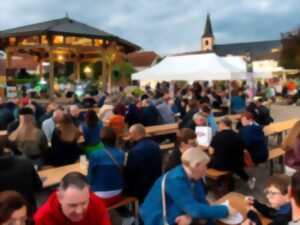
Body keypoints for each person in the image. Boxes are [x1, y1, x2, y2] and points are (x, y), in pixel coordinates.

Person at [141, 147, 236, 225]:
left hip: (176, 209)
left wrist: (206, 218)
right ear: (196, 165)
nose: (206, 169)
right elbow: (194, 210)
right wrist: (225, 210)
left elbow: (200, 200)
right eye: (205, 166)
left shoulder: (193, 174)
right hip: (158, 217)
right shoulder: (175, 179)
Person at [34, 172, 111, 225]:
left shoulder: (96, 203)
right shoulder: (42, 218)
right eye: (72, 205)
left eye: (84, 203)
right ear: (59, 198)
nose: (79, 211)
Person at [124, 124, 162, 203]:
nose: (129, 136)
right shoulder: (155, 145)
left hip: (141, 189)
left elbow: (130, 173)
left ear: (134, 134)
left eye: (130, 134)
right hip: (156, 183)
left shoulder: (135, 151)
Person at [88, 127, 125, 206]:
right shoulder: (121, 154)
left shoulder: (95, 155)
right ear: (115, 139)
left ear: (101, 140)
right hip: (118, 193)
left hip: (100, 197)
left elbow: (90, 178)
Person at [209, 117, 252, 184]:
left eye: (219, 124)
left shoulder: (217, 136)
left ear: (222, 124)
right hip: (237, 164)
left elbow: (211, 152)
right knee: (232, 158)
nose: (218, 126)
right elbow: (243, 148)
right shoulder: (238, 135)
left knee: (207, 162)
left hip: (221, 166)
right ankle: (246, 179)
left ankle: (214, 183)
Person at [0, 143, 42, 211]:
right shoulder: (25, 162)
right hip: (29, 209)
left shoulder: (24, 162)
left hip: (4, 215)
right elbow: (38, 186)